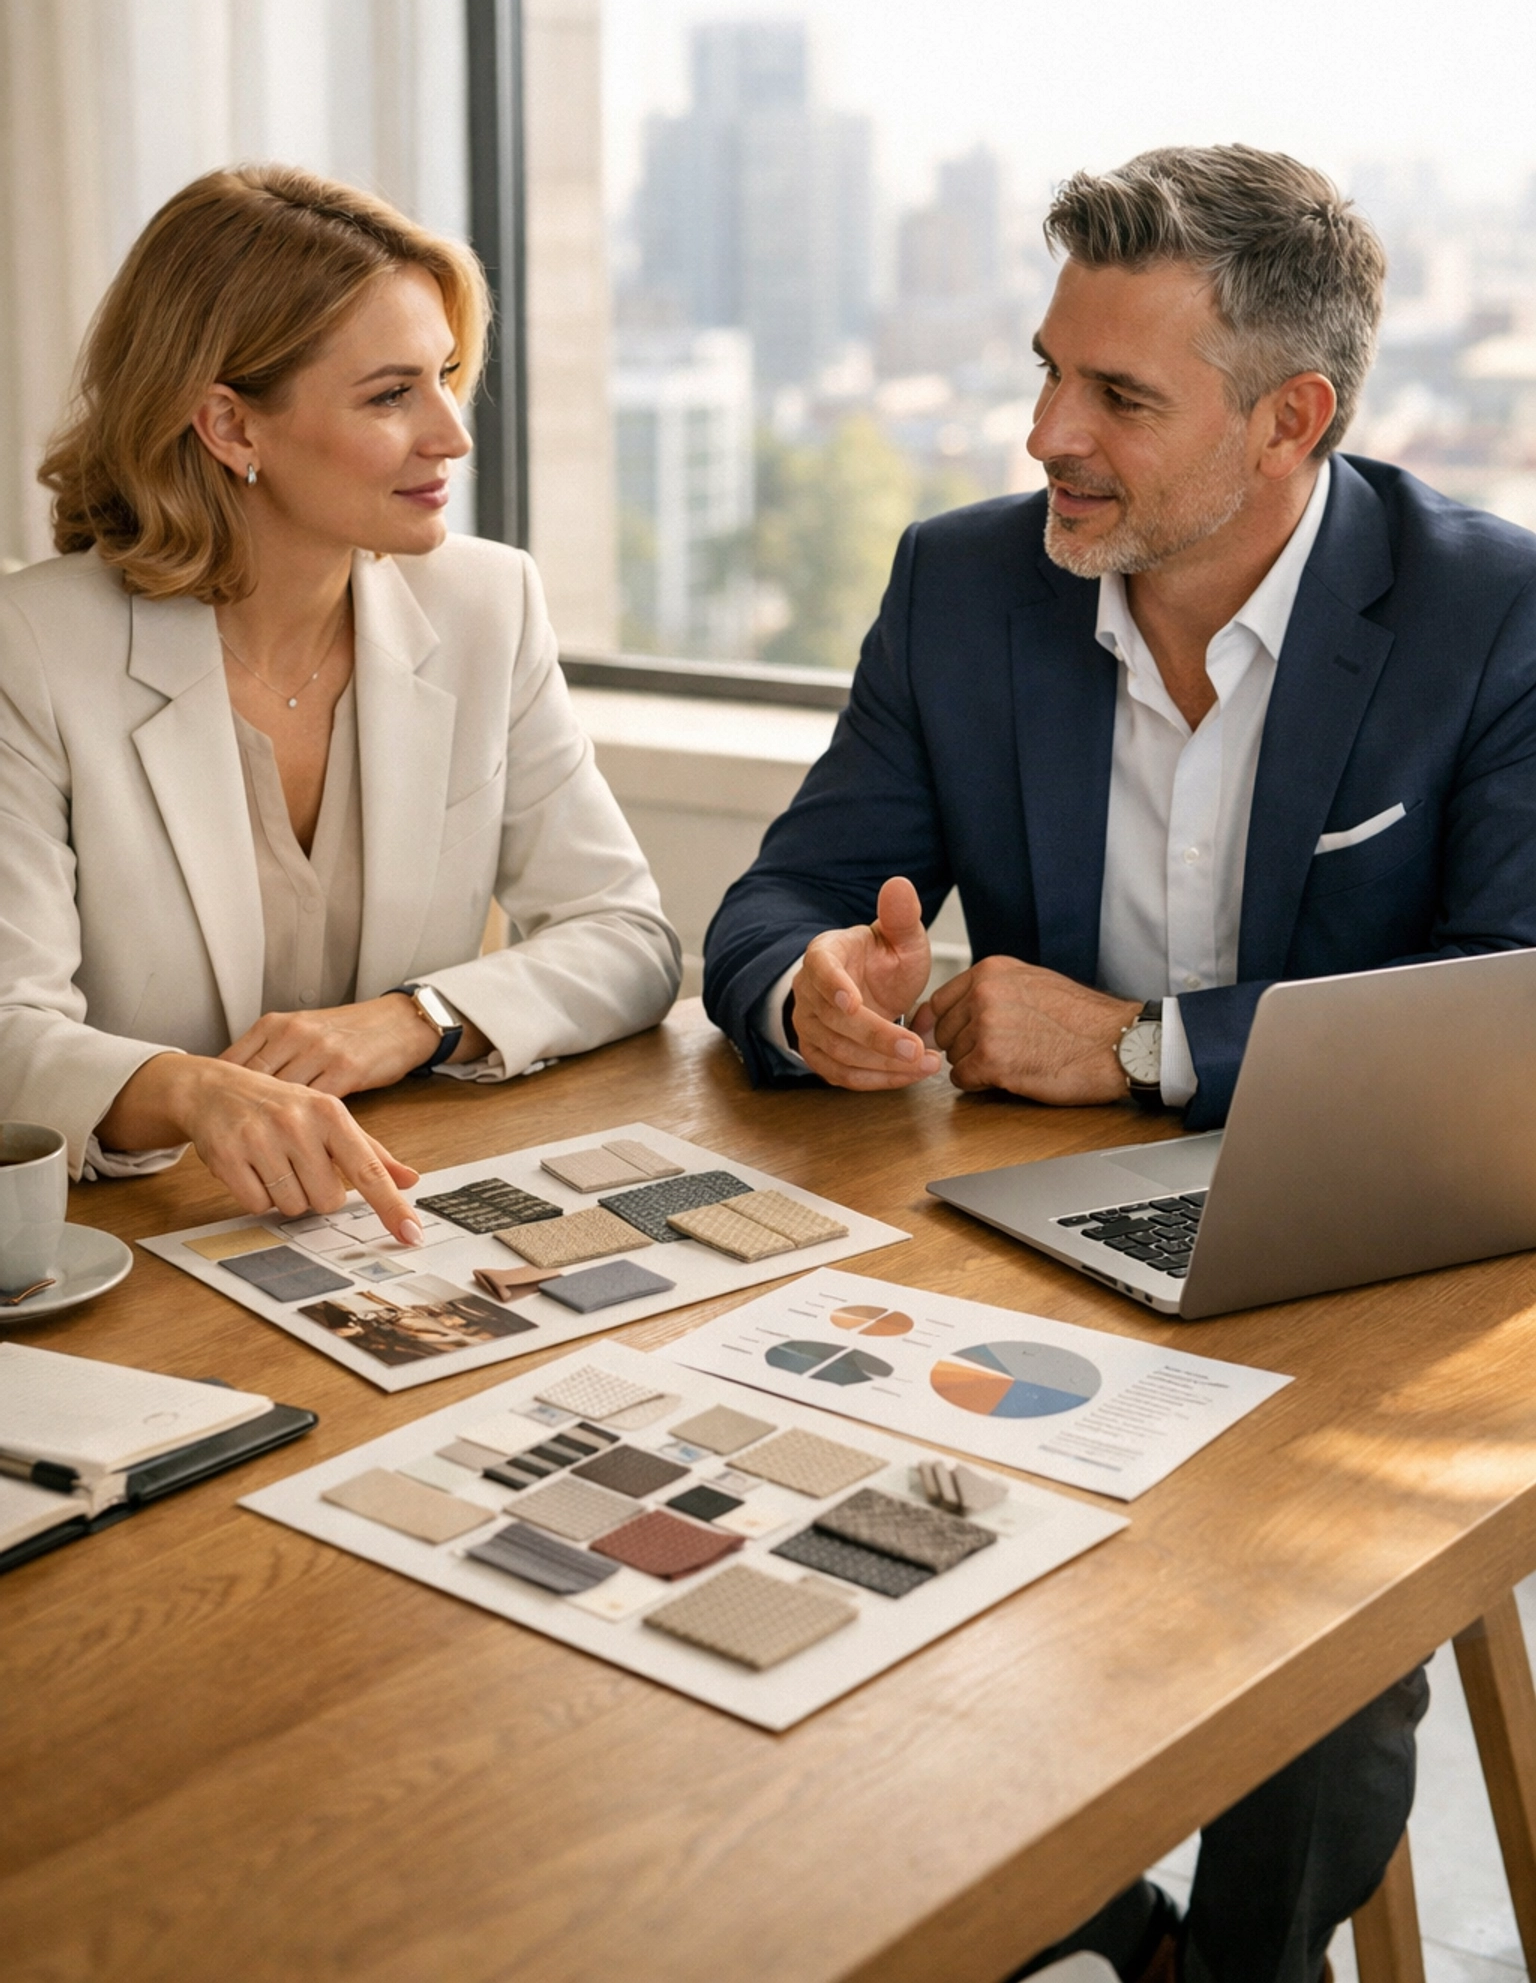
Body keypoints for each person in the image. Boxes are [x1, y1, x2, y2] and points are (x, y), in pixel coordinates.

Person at [703, 145, 1536, 1983]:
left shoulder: (1489, 609)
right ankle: (1088, 1939)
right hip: (1012, 1251)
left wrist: (1147, 1048)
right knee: (821, 1564)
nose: (1043, 432)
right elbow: (778, 892)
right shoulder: (959, 586)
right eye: (1045, 369)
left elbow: (1516, 996)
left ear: (1289, 418)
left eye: (1118, 396)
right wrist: (811, 986)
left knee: (1319, 1632)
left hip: (1351, 1265)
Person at [0, 164, 680, 1246]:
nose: (452, 435)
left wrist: (416, 1020)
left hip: (388, 1222)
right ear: (230, 426)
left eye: (447, 376)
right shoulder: (33, 649)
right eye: (390, 394)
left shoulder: (485, 603)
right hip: (134, 1247)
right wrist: (189, 1092)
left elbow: (628, 938)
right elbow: (6, 1031)